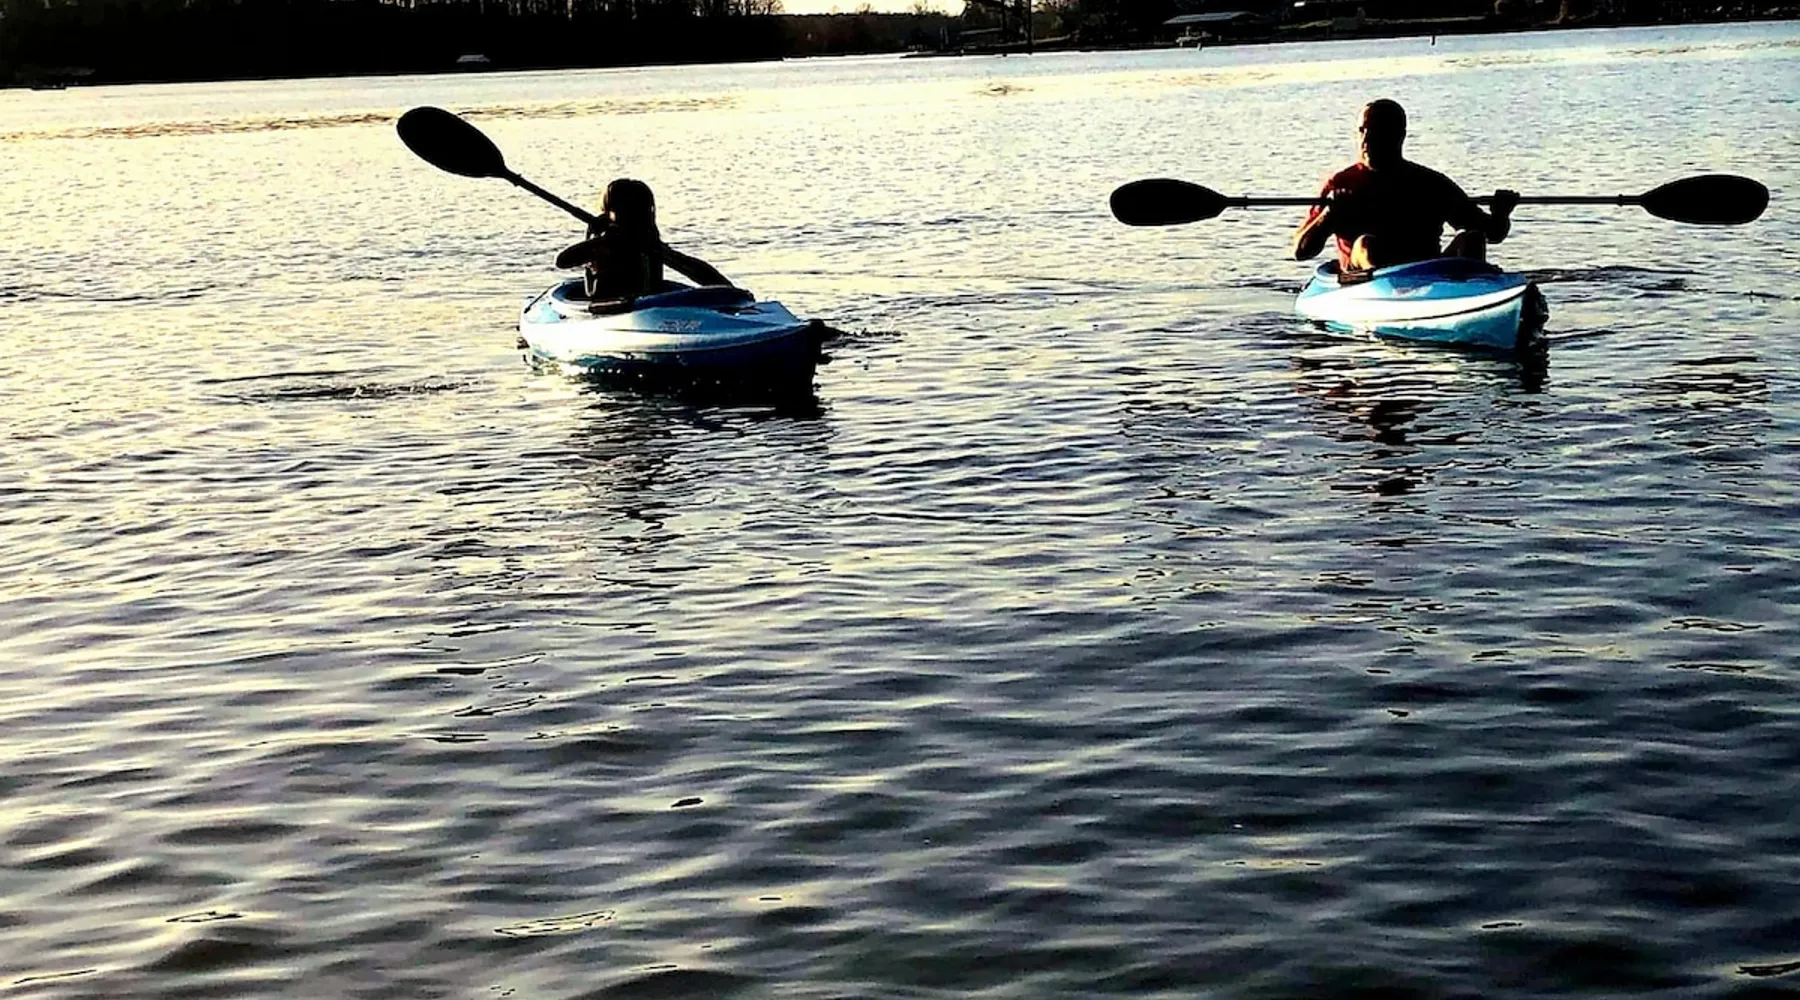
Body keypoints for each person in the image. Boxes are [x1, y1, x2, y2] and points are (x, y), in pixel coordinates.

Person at [1291, 100, 1520, 274]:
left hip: (1427, 276)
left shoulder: (1431, 183)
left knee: (1472, 239)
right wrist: (1329, 215)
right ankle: (1389, 293)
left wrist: (1501, 213)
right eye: (1362, 130)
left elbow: (1493, 233)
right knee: (1366, 245)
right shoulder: (1341, 184)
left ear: (1399, 135)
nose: (1366, 139)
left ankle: (1473, 297)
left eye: (1377, 131)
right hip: (1363, 282)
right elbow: (1301, 252)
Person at [577, 178, 733, 304]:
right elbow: (565, 260)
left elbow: (700, 272)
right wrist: (603, 241)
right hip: (610, 304)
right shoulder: (602, 240)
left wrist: (656, 249)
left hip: (647, 301)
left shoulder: (649, 241)